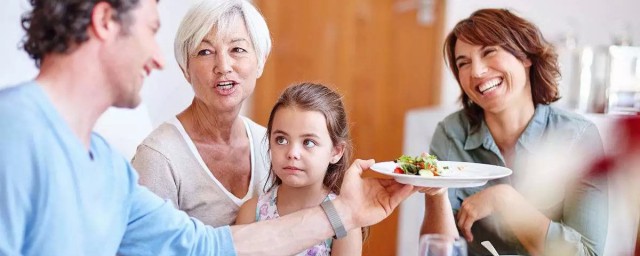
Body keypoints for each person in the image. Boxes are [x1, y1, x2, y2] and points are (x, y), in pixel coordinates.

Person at [0, 0, 416, 255]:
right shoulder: (13, 135)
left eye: (238, 49)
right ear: (106, 21)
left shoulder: (107, 168)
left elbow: (205, 247)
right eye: (151, 30)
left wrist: (344, 212)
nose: (159, 58)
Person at [419, 9, 608, 256]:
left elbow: (588, 253)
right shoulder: (451, 134)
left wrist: (505, 201)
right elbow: (436, 251)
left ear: (526, 56)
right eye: (463, 63)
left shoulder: (577, 137)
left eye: (489, 52)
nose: (476, 72)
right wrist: (437, 192)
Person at [131, 0, 270, 227]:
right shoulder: (159, 157)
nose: (223, 66)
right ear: (185, 68)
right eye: (205, 52)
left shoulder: (271, 145)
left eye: (237, 49)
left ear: (260, 61)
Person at [236, 83, 365, 255]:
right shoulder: (252, 213)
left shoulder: (342, 221)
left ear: (336, 151)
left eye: (308, 142)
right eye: (281, 140)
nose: (292, 153)